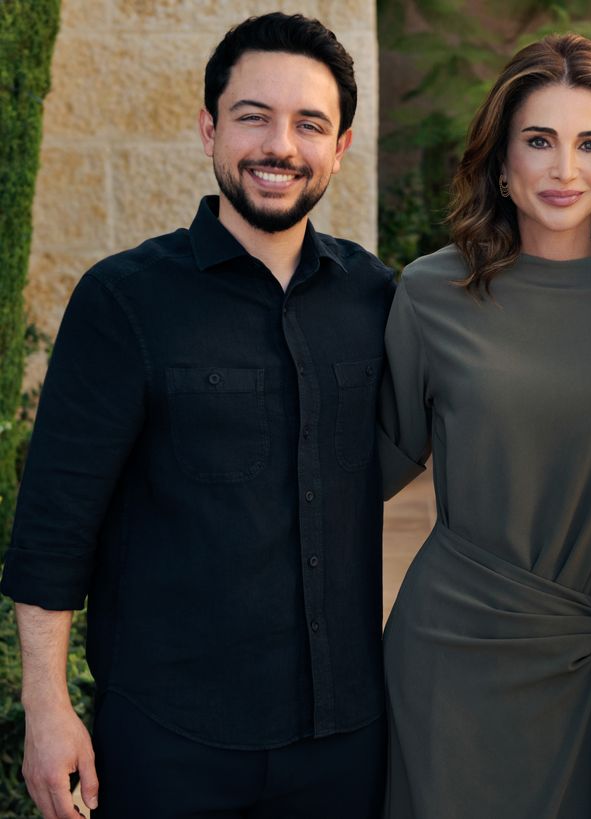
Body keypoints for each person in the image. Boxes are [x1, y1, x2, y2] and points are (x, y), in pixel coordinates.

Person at [0, 13, 393, 818]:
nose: (279, 144)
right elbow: (54, 523)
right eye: (253, 116)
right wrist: (47, 706)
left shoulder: (380, 300)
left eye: (308, 124)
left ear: (341, 146)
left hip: (344, 739)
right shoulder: (124, 299)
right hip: (170, 740)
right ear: (209, 126)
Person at [377, 33, 591, 819]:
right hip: (449, 649)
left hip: (580, 640)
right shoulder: (429, 292)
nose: (565, 170)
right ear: (501, 163)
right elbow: (367, 466)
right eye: (540, 142)